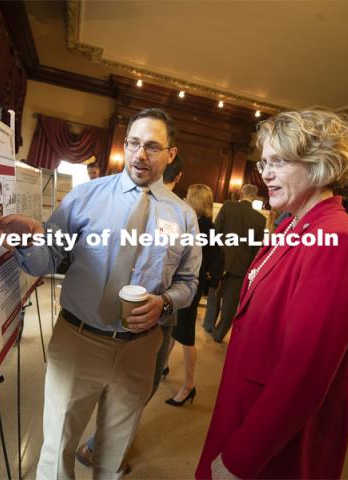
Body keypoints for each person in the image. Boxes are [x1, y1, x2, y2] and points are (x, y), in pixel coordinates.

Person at [0, 108, 201, 480]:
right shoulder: (86, 197)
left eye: (152, 146)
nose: (140, 155)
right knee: (57, 454)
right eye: (133, 143)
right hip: (78, 343)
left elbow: (189, 283)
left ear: (170, 154)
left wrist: (164, 302)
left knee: (112, 454)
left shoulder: (183, 216)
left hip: (140, 350)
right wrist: (27, 240)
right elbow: (45, 259)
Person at [196, 110, 348, 479]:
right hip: (246, 406)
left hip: (276, 438)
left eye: (279, 161)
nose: (265, 173)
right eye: (264, 162)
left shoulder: (338, 239)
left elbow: (304, 373)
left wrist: (240, 459)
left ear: (320, 164)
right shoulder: (293, 225)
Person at [76, 154, 185, 470]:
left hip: (155, 315)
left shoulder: (179, 214)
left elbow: (183, 278)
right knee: (136, 388)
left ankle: (104, 445)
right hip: (135, 322)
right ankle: (101, 446)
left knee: (130, 387)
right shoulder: (127, 204)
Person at [165, 184, 222, 407]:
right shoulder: (202, 224)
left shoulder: (203, 227)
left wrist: (210, 282)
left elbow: (213, 258)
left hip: (191, 285)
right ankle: (163, 366)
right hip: (187, 283)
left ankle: (189, 386)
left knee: (186, 336)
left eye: (188, 197)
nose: (185, 199)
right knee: (172, 327)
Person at [203, 184, 265, 342]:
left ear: (242, 193)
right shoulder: (260, 219)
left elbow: (215, 231)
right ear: (255, 197)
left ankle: (209, 325)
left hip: (221, 260)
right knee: (230, 305)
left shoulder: (228, 206)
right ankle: (219, 334)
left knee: (213, 295)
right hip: (241, 266)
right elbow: (255, 248)